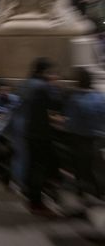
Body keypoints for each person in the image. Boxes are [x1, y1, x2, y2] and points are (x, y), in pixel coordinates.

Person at [20, 58, 62, 216]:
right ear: (44, 71)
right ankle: (36, 203)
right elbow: (55, 104)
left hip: (28, 128)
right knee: (39, 167)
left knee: (32, 164)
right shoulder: (44, 87)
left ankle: (31, 197)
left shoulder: (27, 83)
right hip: (41, 133)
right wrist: (55, 86)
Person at [63, 68, 105, 197]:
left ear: (78, 82)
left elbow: (71, 122)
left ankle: (82, 191)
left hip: (80, 137)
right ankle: (100, 192)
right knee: (96, 166)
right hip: (98, 137)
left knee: (81, 166)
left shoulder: (75, 99)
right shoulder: (100, 97)